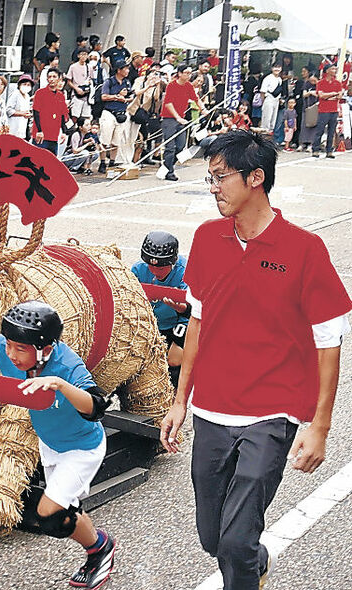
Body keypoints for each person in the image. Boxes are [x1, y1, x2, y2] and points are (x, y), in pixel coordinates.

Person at [161, 130, 352, 590]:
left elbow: (329, 340)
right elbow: (199, 325)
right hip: (212, 407)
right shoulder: (207, 239)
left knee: (234, 540)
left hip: (273, 411)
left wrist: (319, 427)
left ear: (256, 178)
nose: (213, 188)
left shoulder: (304, 249)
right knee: (214, 536)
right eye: (209, 178)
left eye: (220, 177)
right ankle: (255, 558)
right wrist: (179, 400)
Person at [0, 301, 116, 590]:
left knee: (50, 517)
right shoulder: (6, 349)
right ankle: (100, 546)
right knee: (67, 511)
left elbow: (97, 406)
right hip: (50, 443)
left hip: (81, 448)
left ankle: (100, 549)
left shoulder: (66, 364)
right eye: (9, 345)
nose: (11, 354)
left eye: (20, 349)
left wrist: (60, 385)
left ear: (45, 349)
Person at [131, 231, 189, 385]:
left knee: (175, 360)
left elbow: (196, 311)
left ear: (173, 262)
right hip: (150, 323)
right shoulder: (137, 270)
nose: (155, 272)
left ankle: (174, 397)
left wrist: (182, 309)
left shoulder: (186, 273)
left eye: (162, 268)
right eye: (151, 266)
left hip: (179, 322)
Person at [160, 65, 207, 181]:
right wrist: (177, 117)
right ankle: (169, 171)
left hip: (181, 119)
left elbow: (196, 99)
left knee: (180, 146)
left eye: (190, 73)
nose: (189, 75)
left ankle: (167, 166)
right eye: (186, 73)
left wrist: (203, 109)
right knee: (170, 147)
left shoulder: (188, 86)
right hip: (169, 118)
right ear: (179, 73)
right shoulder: (172, 85)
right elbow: (168, 103)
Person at [99, 59, 134, 167]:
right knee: (105, 139)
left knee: (117, 140)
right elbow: (103, 96)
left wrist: (126, 99)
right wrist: (117, 97)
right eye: (126, 68)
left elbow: (131, 96)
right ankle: (102, 162)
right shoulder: (109, 82)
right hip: (109, 112)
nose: (128, 70)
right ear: (119, 70)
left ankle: (112, 161)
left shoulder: (127, 82)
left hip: (122, 113)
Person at [32, 68, 69, 154]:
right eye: (49, 77)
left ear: (59, 79)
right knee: (38, 160)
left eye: (54, 76)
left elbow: (62, 115)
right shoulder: (40, 93)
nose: (51, 79)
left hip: (54, 135)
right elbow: (36, 112)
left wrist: (64, 131)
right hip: (41, 135)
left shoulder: (61, 96)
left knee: (51, 162)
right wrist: (39, 131)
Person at [312, 64, 343, 158]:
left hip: (334, 110)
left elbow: (339, 96)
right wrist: (332, 94)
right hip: (324, 110)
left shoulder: (337, 83)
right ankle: (315, 149)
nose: (334, 70)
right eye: (332, 69)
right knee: (320, 130)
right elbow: (321, 95)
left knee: (331, 131)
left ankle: (329, 150)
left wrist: (328, 96)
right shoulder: (321, 83)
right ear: (327, 71)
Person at [66, 47, 93, 119]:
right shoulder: (73, 67)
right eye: (82, 54)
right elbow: (69, 81)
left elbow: (91, 79)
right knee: (75, 116)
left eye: (86, 54)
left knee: (86, 116)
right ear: (78, 56)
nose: (84, 56)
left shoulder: (89, 67)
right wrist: (76, 88)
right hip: (76, 94)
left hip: (86, 95)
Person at [7, 74, 34, 141]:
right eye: (24, 84)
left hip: (22, 130)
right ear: (19, 85)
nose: (26, 86)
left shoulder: (27, 96)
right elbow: (8, 110)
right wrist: (22, 113)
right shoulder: (15, 94)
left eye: (28, 85)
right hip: (13, 129)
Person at [260, 64, 283, 132]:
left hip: (276, 100)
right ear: (272, 68)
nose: (277, 69)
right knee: (267, 119)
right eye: (275, 67)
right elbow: (262, 92)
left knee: (273, 119)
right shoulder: (268, 78)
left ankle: (270, 134)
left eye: (278, 67)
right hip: (268, 98)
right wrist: (263, 102)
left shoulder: (279, 79)